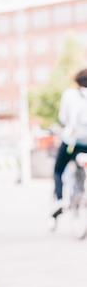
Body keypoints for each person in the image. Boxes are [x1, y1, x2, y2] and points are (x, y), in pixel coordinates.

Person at [51, 67, 87, 218]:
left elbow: (63, 118)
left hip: (72, 141)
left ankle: (60, 200)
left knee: (58, 170)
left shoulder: (70, 94)